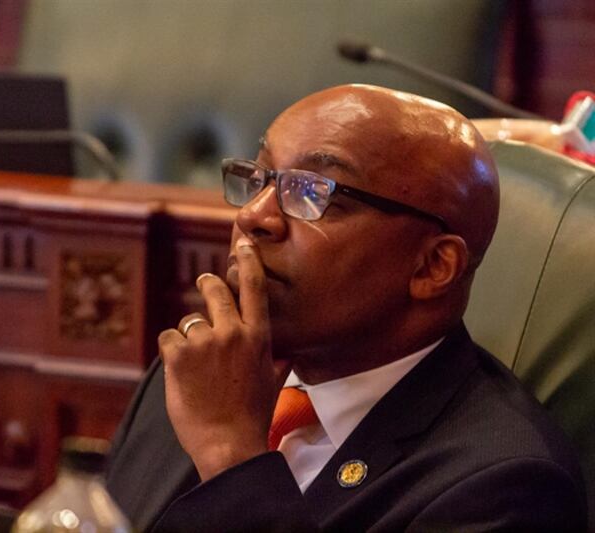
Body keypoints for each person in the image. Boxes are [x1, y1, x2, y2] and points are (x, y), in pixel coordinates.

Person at [105, 84, 587, 532]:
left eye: (313, 192)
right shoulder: (201, 376)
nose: (253, 217)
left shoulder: (503, 486)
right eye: (259, 178)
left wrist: (232, 456)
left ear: (433, 267)